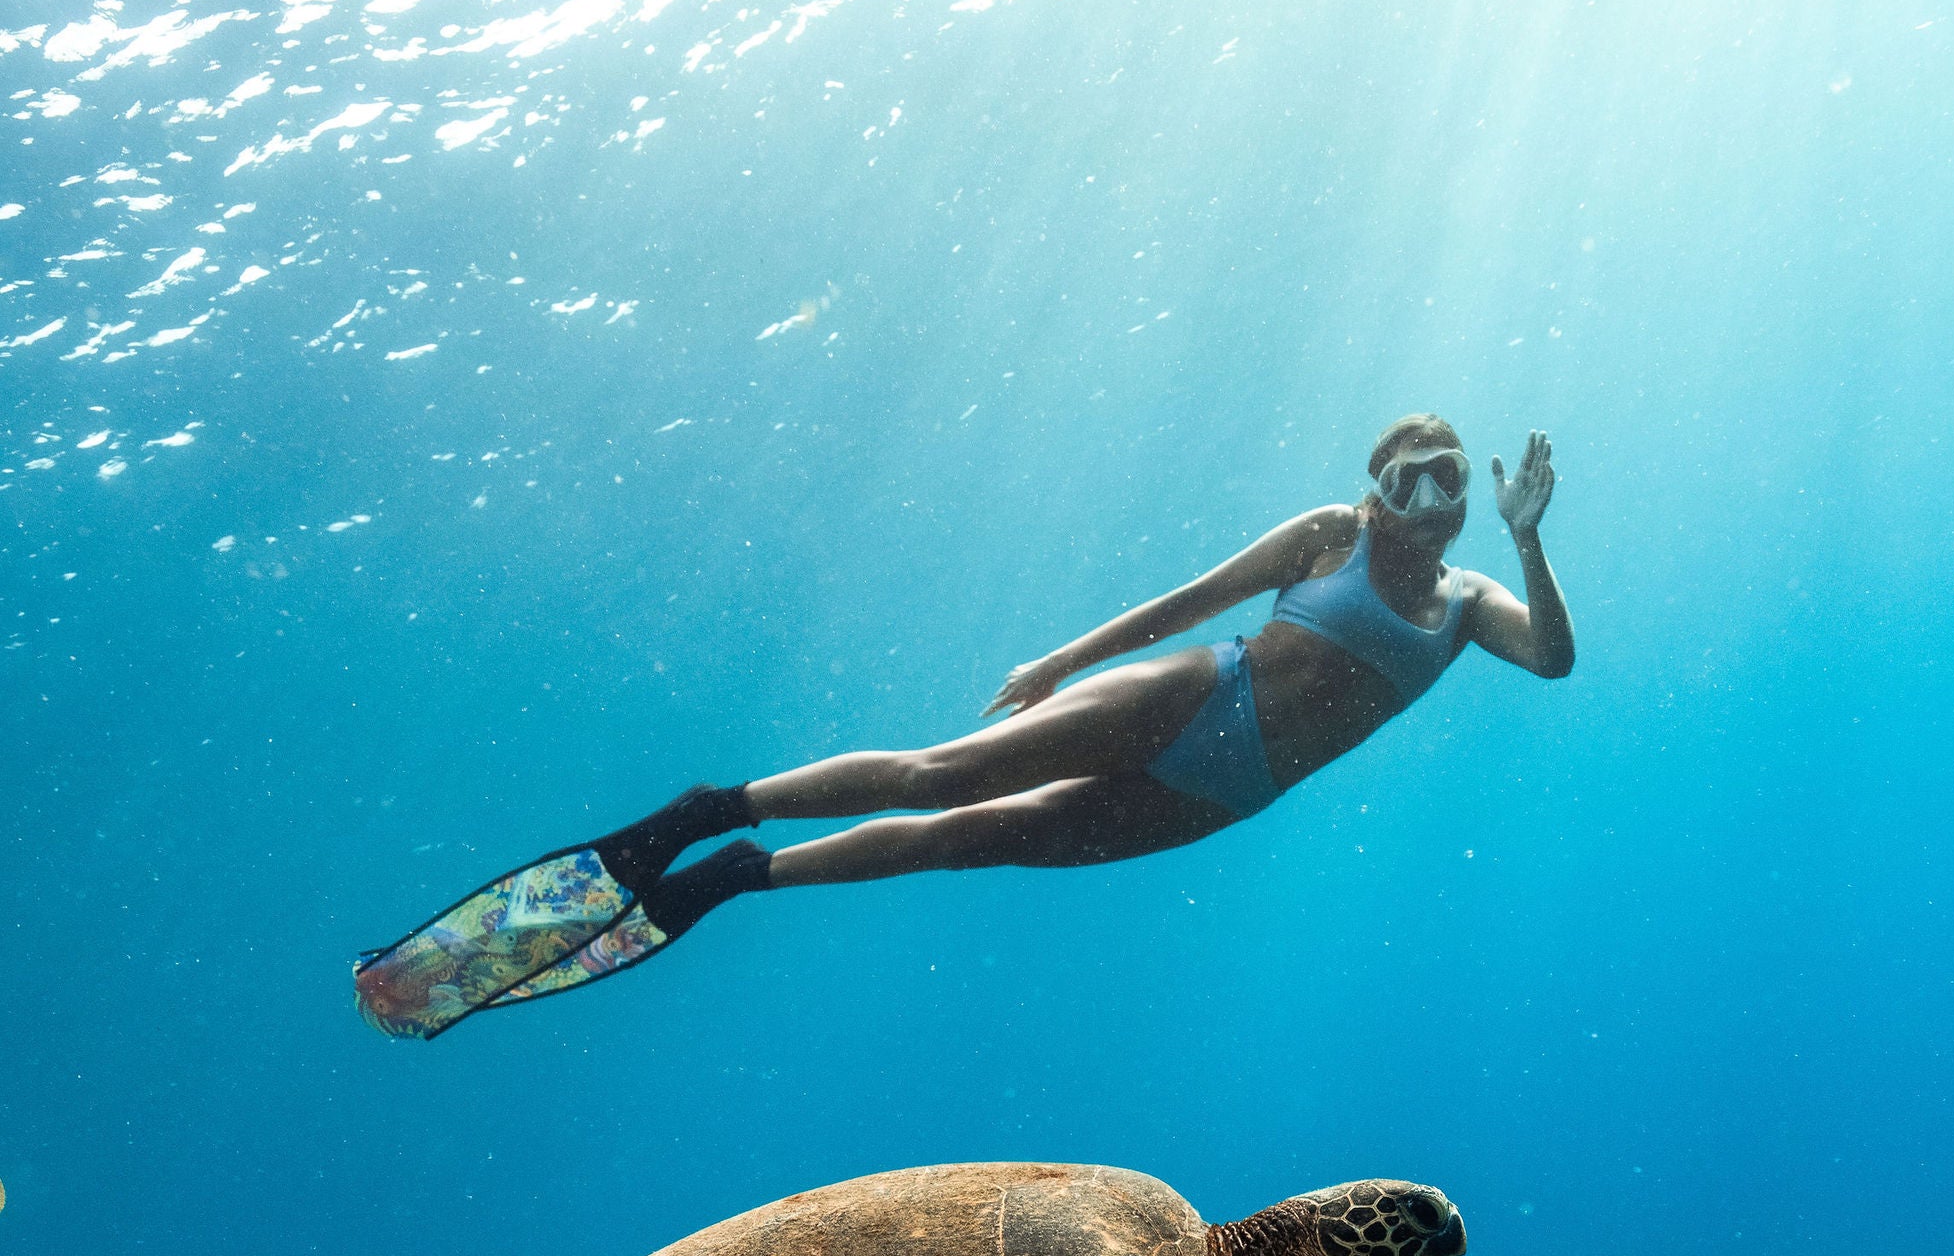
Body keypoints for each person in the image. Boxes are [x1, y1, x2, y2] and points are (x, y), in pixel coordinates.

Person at [353, 415, 1573, 1038]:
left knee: (961, 839)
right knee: (942, 774)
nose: (1432, 493)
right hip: (1199, 692)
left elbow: (1555, 662)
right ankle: (706, 810)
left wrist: (1526, 537)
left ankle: (737, 875)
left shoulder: (1470, 605)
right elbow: (1184, 603)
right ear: (1372, 489)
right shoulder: (1327, 534)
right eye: (1410, 472)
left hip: (1222, 794)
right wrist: (1060, 660)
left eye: (1451, 473)